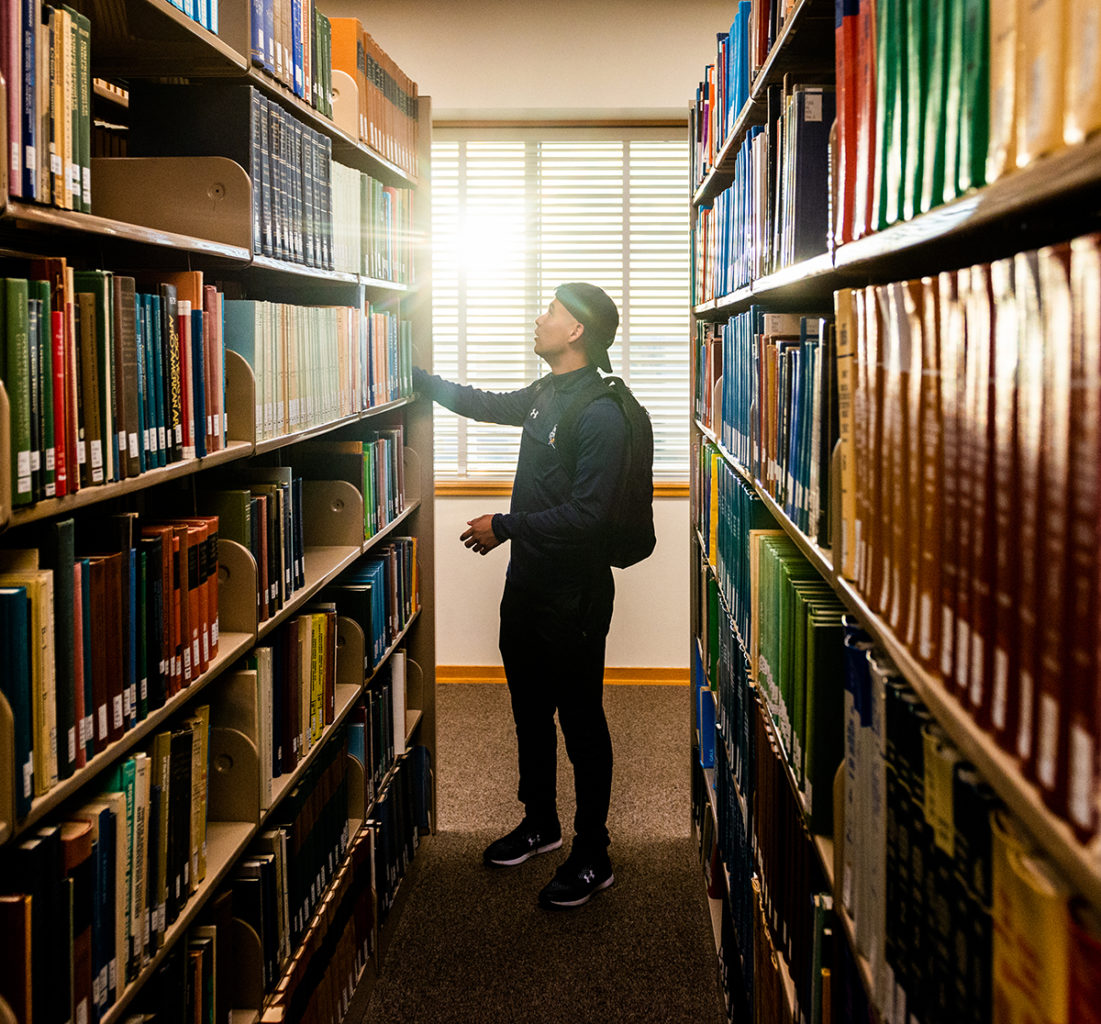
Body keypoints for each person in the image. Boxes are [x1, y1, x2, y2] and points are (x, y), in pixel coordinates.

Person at [412, 282, 629, 909]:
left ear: (577, 332)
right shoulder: (546, 394)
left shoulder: (602, 414)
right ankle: (541, 822)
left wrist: (503, 526)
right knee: (530, 712)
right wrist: (415, 375)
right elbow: (483, 404)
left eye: (552, 313)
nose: (540, 319)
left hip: (576, 596)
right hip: (528, 587)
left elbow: (588, 516)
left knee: (580, 721)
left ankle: (593, 851)